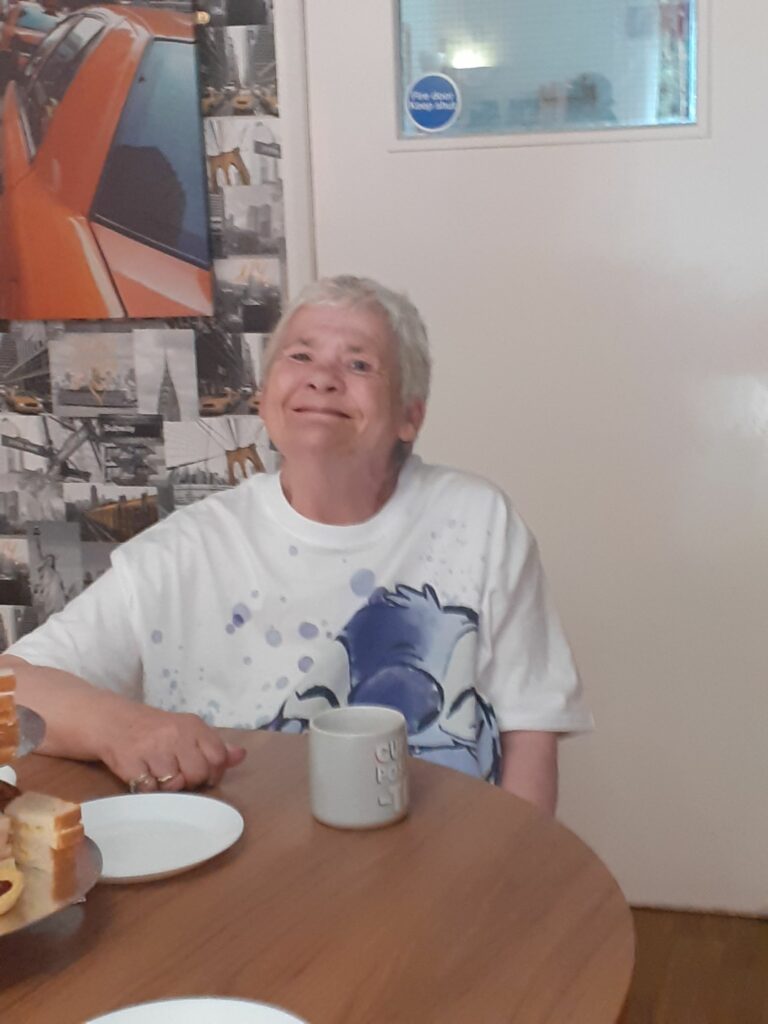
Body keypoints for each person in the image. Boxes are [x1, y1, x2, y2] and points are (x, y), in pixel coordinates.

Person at [1, 276, 592, 813]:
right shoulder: (187, 549)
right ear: (264, 399)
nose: (322, 377)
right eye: (301, 355)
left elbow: (530, 731)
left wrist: (510, 877)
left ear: (410, 416)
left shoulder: (477, 520)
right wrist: (122, 727)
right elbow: (9, 689)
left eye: (359, 364)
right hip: (251, 870)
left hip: (444, 863)